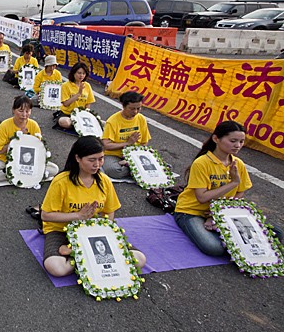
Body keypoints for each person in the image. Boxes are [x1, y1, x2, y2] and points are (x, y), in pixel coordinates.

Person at [40, 136, 146, 277]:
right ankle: (86, 254)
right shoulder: (61, 182)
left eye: (101, 159)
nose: (97, 164)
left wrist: (106, 232)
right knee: (56, 268)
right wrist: (77, 216)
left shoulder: (104, 181)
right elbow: (45, 215)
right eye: (92, 160)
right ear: (78, 158)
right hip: (61, 230)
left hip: (94, 230)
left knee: (139, 259)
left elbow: (109, 212)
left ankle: (78, 252)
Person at [174, 121, 283, 256]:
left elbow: (240, 192)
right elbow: (202, 198)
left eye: (241, 142)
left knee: (277, 233)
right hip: (192, 211)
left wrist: (218, 215)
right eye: (233, 141)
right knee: (214, 247)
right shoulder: (201, 163)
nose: (237, 145)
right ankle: (225, 236)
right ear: (216, 139)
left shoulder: (238, 164)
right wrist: (233, 182)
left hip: (221, 212)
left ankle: (222, 231)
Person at [0, 95, 59, 184]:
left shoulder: (33, 125)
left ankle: (18, 177)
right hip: (4, 159)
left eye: (27, 111)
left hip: (27, 161)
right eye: (21, 111)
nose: (24, 115)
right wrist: (17, 139)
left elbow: (38, 148)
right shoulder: (5, 125)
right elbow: (0, 151)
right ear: (13, 110)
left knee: (54, 169)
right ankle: (20, 177)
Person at [101, 91, 152, 179]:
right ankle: (137, 170)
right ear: (123, 106)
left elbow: (144, 143)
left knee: (163, 166)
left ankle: (133, 168)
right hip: (114, 155)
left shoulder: (141, 119)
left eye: (139, 108)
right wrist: (128, 143)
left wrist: (135, 156)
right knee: (113, 170)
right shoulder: (113, 121)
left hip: (134, 154)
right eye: (132, 109)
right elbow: (106, 145)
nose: (135, 112)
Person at [55, 62, 95, 130]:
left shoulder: (87, 85)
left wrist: (86, 113)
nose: (81, 75)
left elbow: (88, 103)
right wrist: (78, 94)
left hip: (81, 115)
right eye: (79, 73)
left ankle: (80, 125)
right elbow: (66, 104)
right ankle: (79, 126)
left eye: (83, 73)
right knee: (64, 122)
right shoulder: (66, 85)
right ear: (73, 73)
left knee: (101, 123)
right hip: (68, 114)